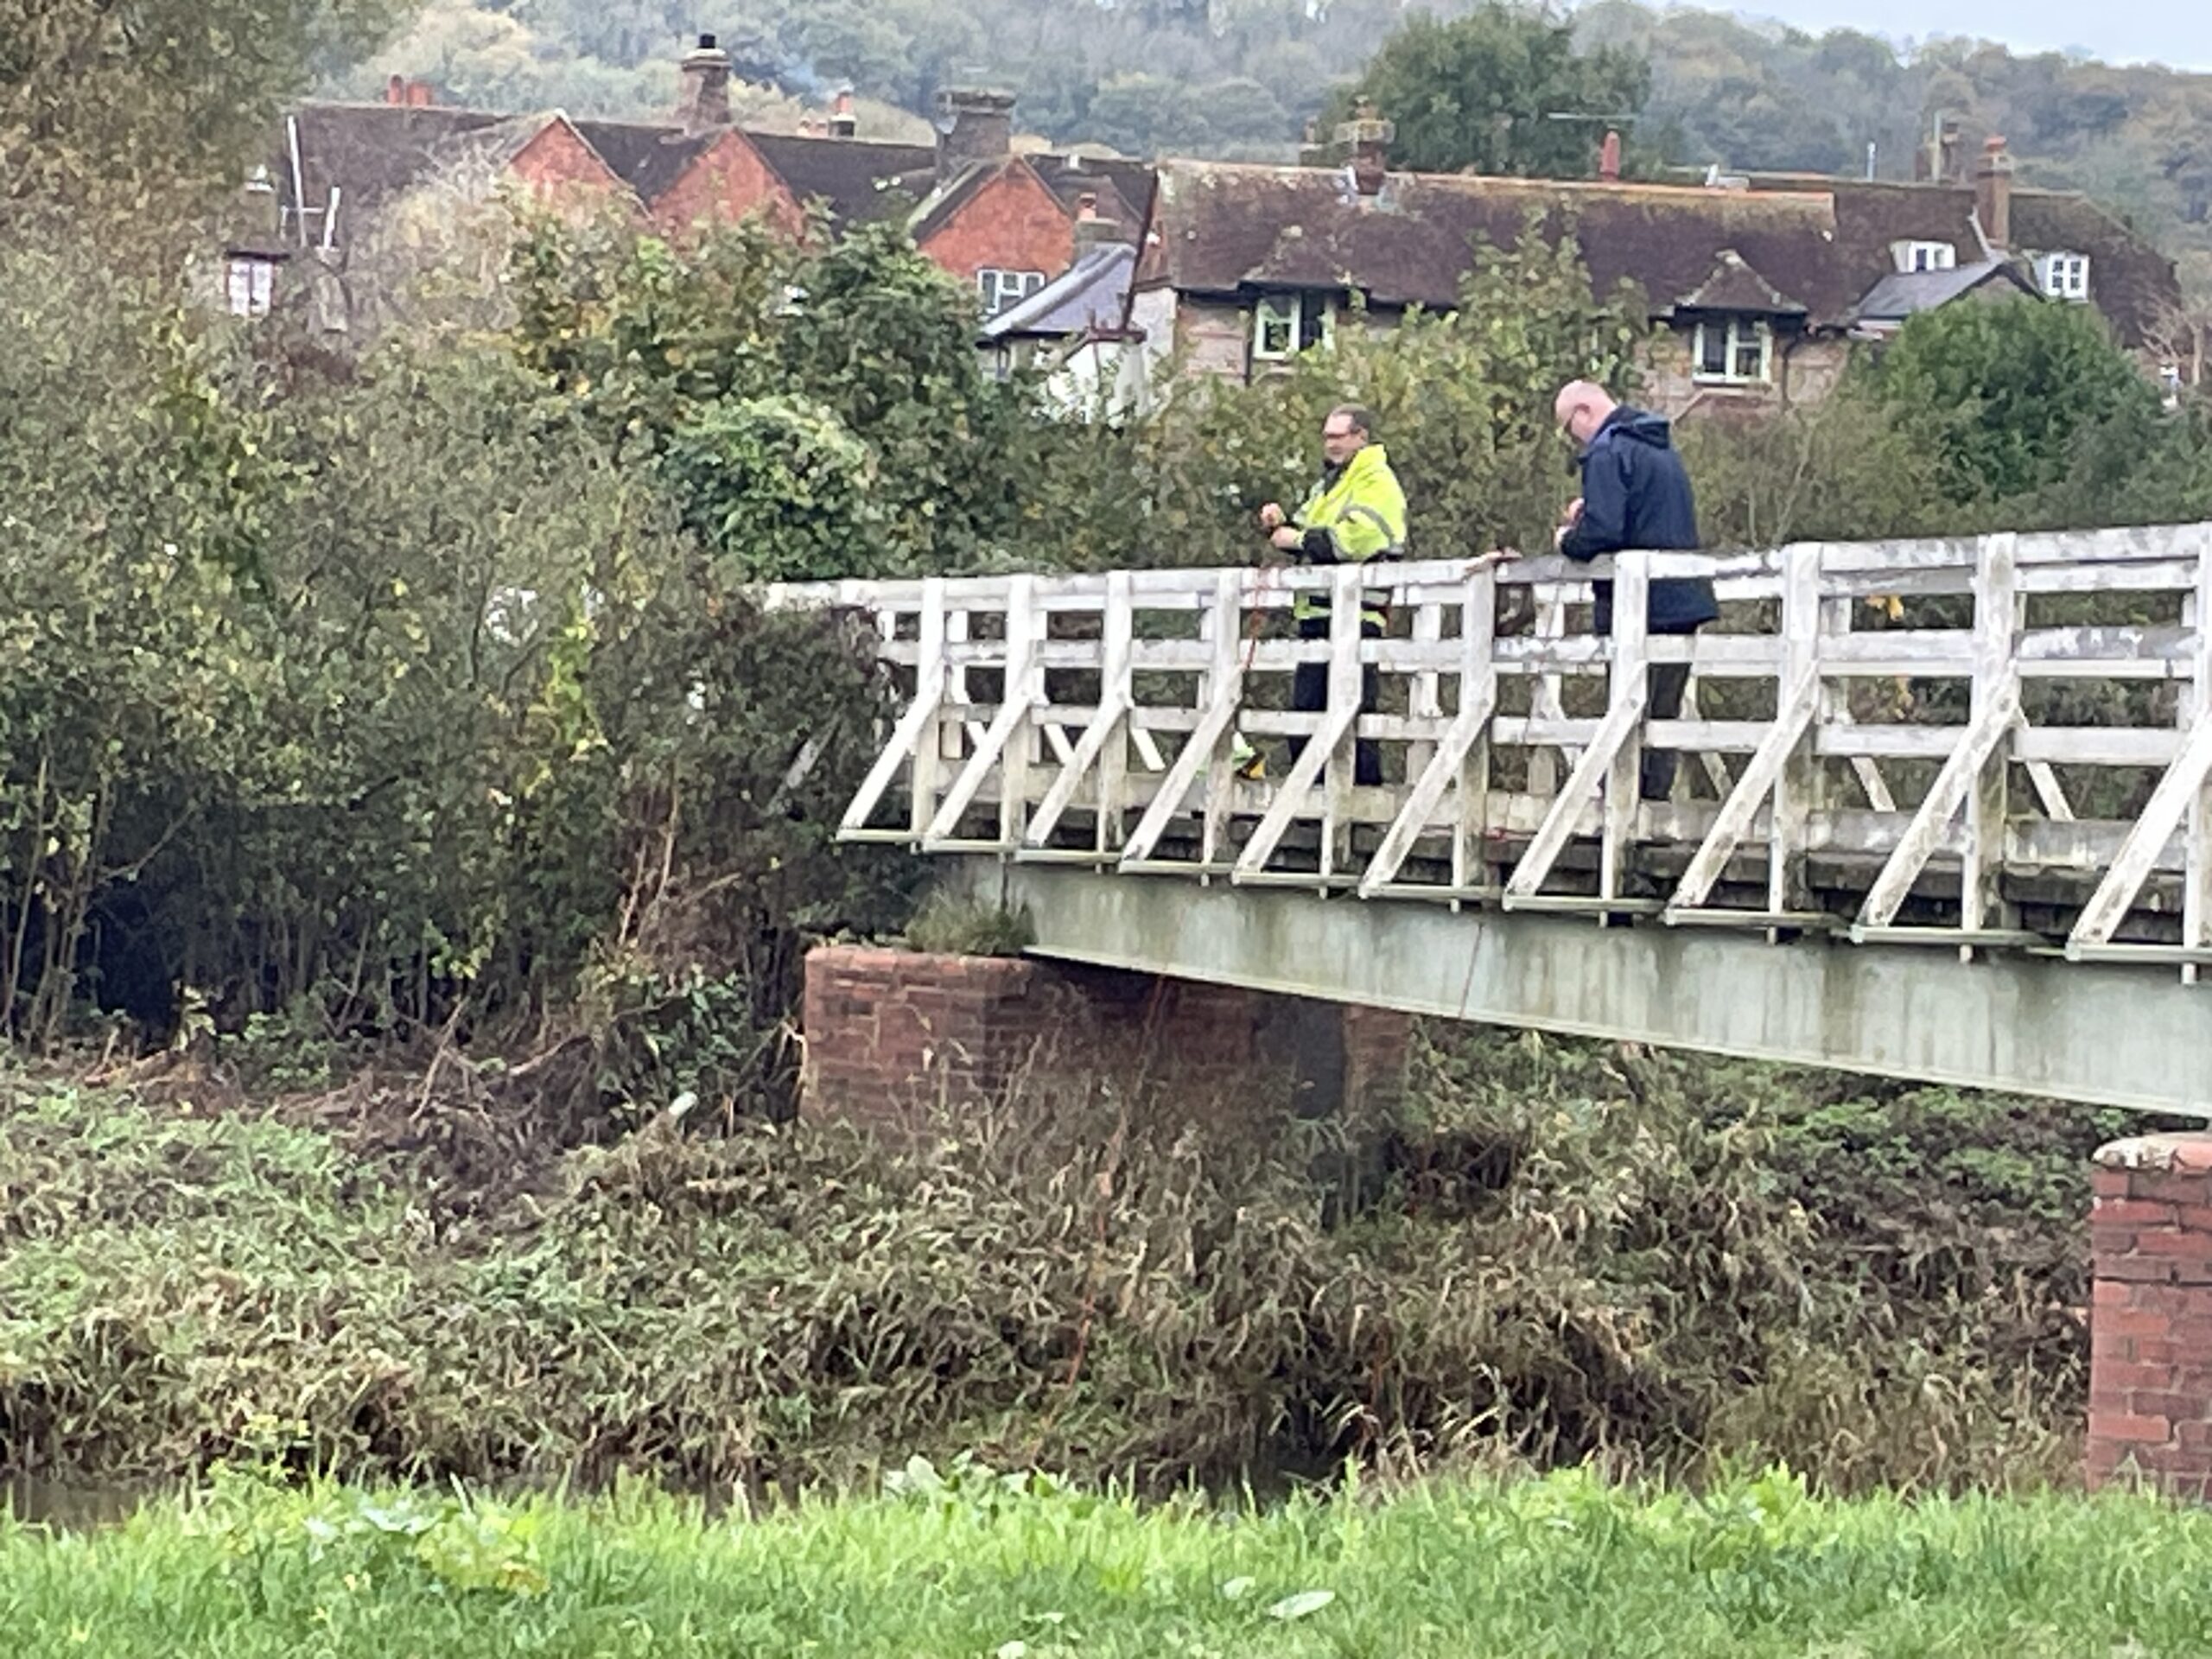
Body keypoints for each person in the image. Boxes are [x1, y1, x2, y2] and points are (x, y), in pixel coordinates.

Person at [1552, 380, 1718, 803]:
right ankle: (1652, 807)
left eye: (1571, 428)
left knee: (1627, 706)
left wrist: (1569, 538)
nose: (1575, 438)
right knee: (1663, 711)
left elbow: (1605, 531)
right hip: (1683, 597)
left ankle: (1622, 807)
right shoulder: (1659, 447)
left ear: (1584, 412)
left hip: (1639, 605)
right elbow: (1644, 515)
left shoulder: (1608, 450)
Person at [1238, 404, 1407, 787]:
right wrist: (1280, 525)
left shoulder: (1375, 479)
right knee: (1307, 716)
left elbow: (1357, 539)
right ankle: (1314, 801)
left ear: (1360, 436)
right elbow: (1308, 530)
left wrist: (1294, 538)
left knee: (1351, 717)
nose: (1329, 444)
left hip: (1358, 617)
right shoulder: (1330, 484)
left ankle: (1361, 804)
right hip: (1318, 615)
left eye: (1338, 436)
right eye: (1327, 436)